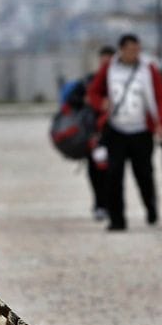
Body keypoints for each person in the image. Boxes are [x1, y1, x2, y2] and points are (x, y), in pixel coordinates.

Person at [87, 33, 162, 231]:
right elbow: (93, 92)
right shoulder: (109, 69)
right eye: (131, 50)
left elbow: (161, 97)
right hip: (116, 131)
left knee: (144, 174)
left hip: (141, 131)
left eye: (137, 49)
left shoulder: (148, 69)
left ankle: (150, 207)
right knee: (113, 175)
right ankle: (117, 220)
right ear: (121, 50)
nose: (135, 53)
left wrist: (161, 122)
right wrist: (101, 103)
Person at [59, 45, 115, 221]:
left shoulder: (117, 81)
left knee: (112, 172)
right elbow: (71, 99)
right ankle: (99, 204)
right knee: (95, 171)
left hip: (112, 133)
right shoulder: (89, 81)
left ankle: (110, 204)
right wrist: (87, 99)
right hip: (91, 134)